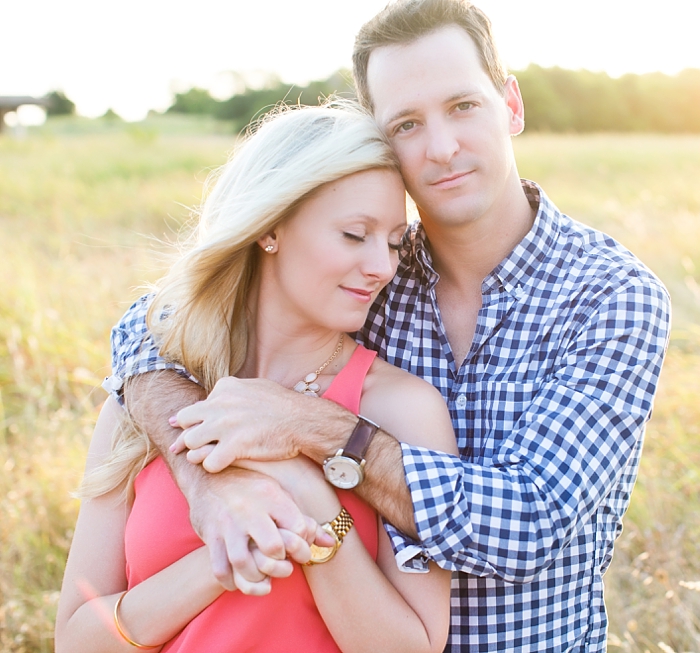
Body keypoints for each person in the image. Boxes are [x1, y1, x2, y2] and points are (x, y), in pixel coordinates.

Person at [103, 0, 671, 650]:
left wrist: (313, 428)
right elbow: (144, 331)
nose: (441, 146)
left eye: (463, 106)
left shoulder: (610, 296)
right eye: (406, 122)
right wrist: (203, 477)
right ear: (380, 143)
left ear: (510, 105)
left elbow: (530, 521)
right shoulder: (373, 272)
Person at [55, 104, 455, 652]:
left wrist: (306, 489)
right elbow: (76, 641)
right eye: (354, 234)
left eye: (391, 243)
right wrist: (222, 557)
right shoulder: (147, 397)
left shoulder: (401, 410)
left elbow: (412, 647)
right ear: (269, 227)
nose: (382, 267)